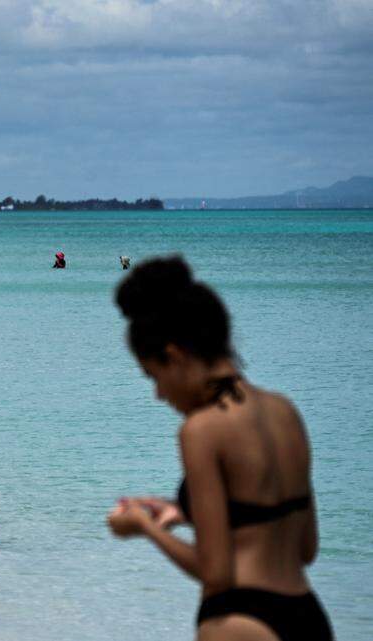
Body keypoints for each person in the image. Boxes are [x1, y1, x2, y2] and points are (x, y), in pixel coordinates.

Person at [106, 256, 331, 641]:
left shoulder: (202, 430)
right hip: (308, 617)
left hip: (242, 623)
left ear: (175, 357)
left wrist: (144, 527)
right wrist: (185, 513)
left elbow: (217, 574)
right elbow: (305, 548)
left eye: (153, 376)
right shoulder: (284, 410)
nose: (159, 394)